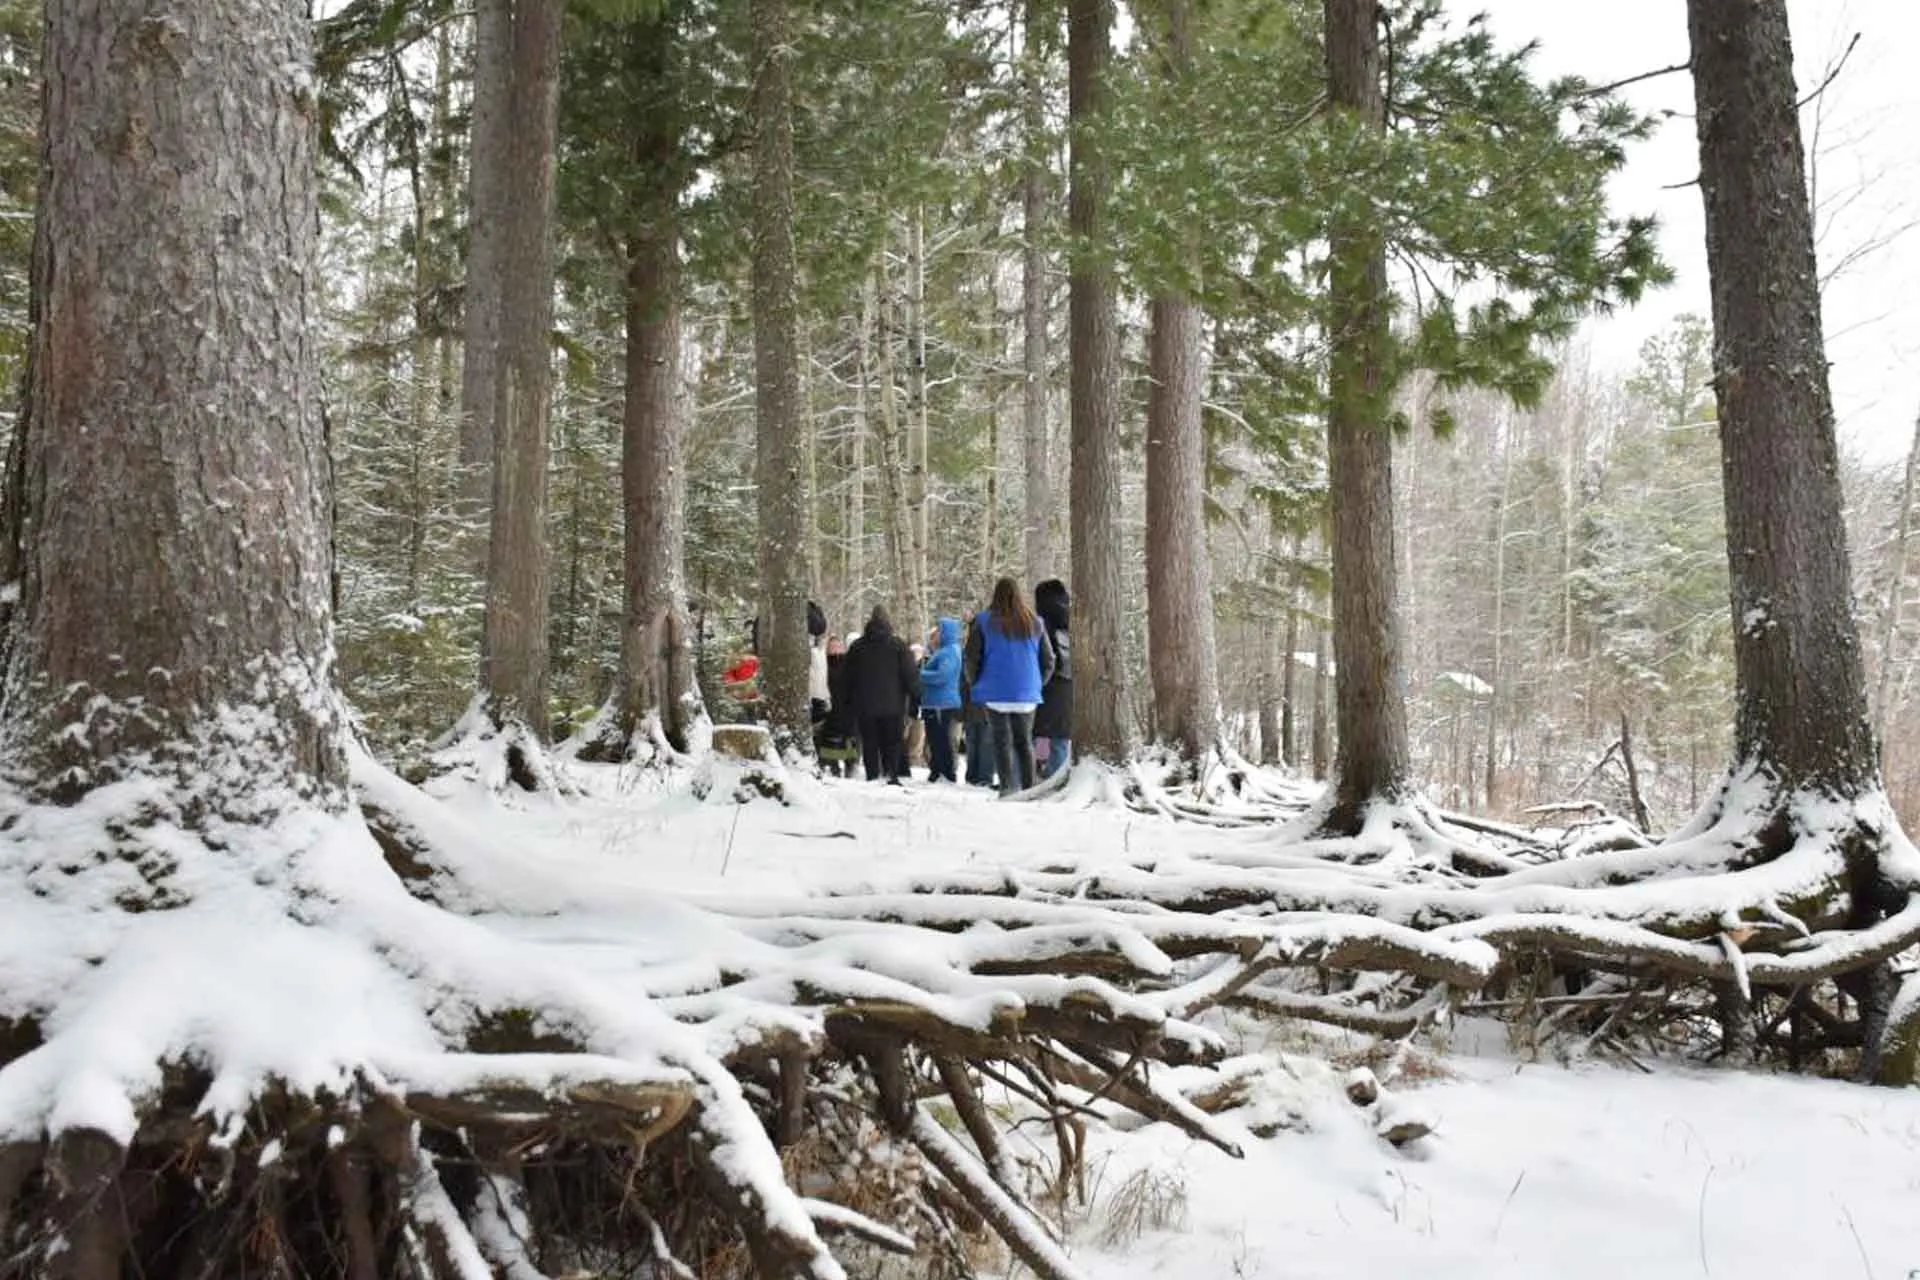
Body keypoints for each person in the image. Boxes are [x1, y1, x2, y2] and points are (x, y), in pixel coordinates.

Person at [964, 577, 1054, 796]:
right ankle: (1029, 788)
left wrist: (975, 682)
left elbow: (971, 657)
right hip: (1026, 692)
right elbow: (1049, 660)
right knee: (1025, 742)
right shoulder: (1035, 622)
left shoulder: (984, 621)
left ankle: (1006, 788)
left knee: (1001, 741)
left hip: (995, 691)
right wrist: (1037, 684)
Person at [844, 605, 920, 784]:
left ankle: (872, 775)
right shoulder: (898, 646)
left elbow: (846, 677)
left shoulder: (857, 647)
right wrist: (916, 696)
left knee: (870, 741)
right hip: (893, 705)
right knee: (892, 741)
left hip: (865, 705)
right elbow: (910, 674)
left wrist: (847, 701)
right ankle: (891, 774)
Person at [1033, 579, 1072, 778]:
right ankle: (1057, 776)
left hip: (1046, 684)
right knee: (1060, 738)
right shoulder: (1071, 621)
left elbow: (1043, 658)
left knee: (1041, 734)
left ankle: (1043, 775)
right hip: (1068, 686)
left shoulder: (1041, 624)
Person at [918, 617, 963, 782]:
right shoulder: (944, 651)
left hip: (941, 702)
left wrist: (921, 675)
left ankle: (945, 772)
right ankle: (937, 771)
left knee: (940, 739)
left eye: (938, 632)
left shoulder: (949, 651)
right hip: (936, 701)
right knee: (935, 739)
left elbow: (942, 676)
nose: (935, 636)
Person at [960, 610, 997, 788]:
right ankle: (977, 775)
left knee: (981, 739)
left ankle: (981, 775)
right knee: (977, 739)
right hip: (975, 697)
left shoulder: (984, 645)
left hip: (979, 696)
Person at [815, 635, 860, 777]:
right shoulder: (823, 663)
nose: (835, 649)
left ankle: (850, 763)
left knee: (849, 737)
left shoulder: (849, 663)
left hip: (847, 705)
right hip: (830, 704)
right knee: (830, 737)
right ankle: (832, 765)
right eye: (832, 646)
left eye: (837, 646)